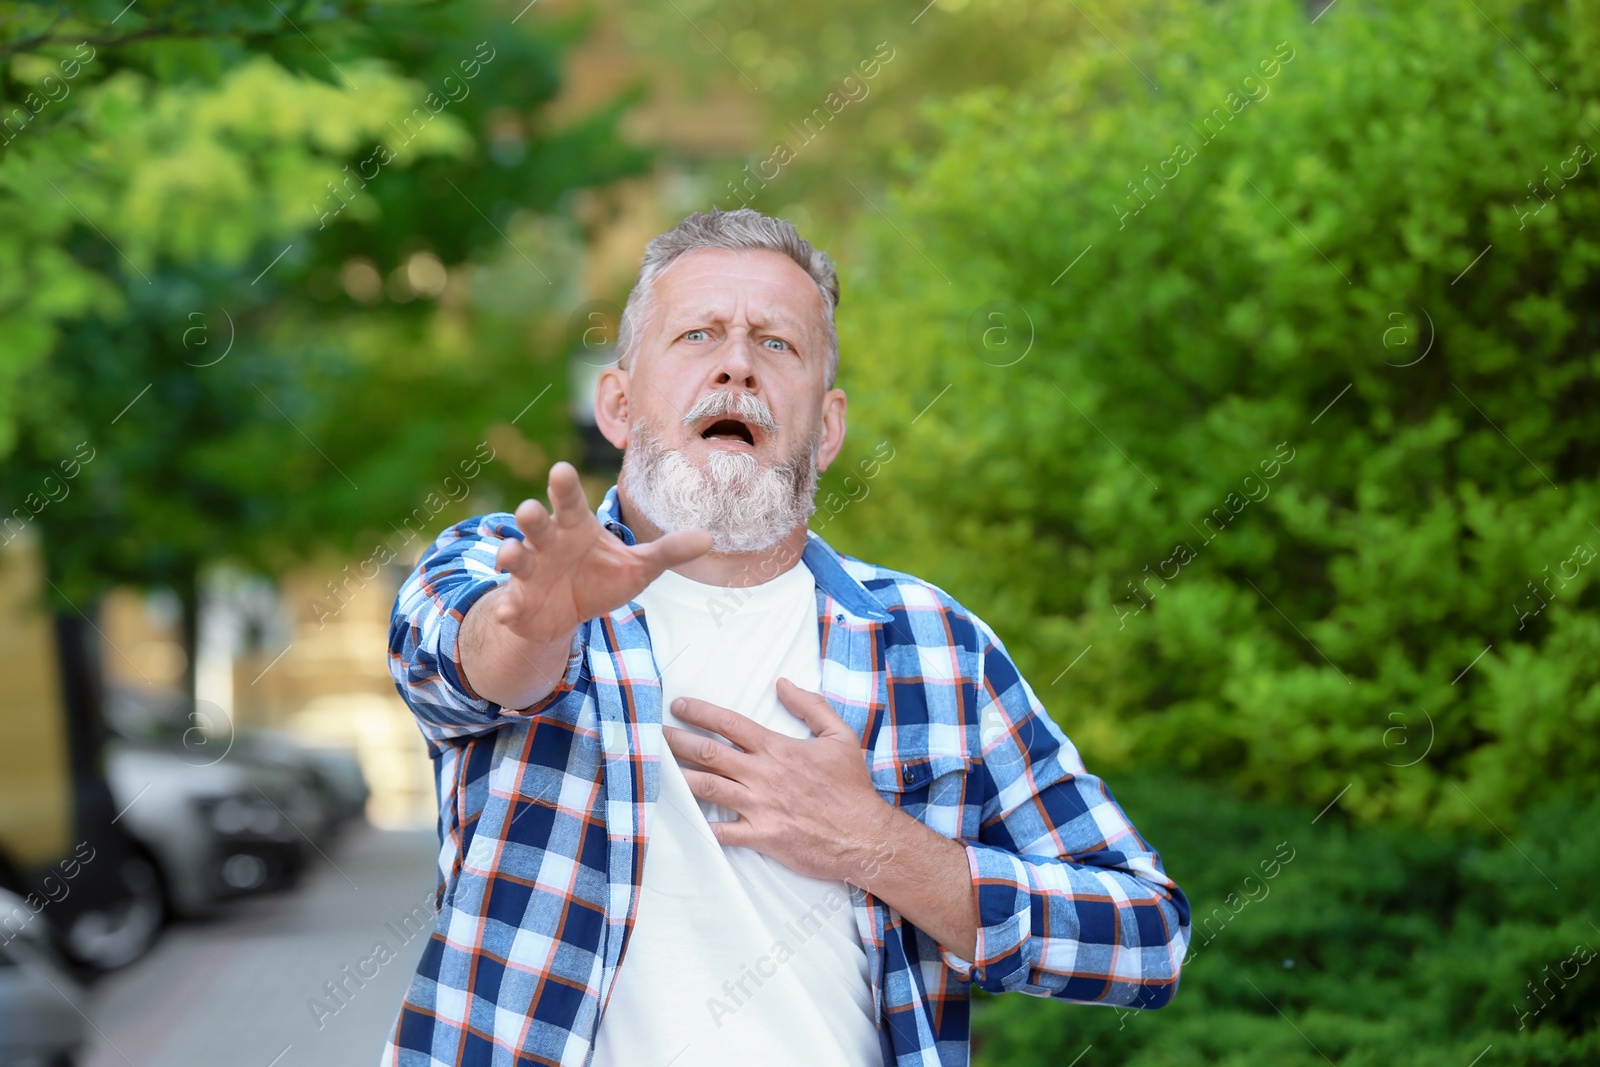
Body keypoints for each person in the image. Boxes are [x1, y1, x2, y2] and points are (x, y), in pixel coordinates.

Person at [382, 208, 1190, 1067]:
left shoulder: (934, 646)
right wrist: (534, 625)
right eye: (698, 334)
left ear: (829, 428)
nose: (737, 363)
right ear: (617, 404)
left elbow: (1146, 938)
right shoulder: (507, 564)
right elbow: (461, 666)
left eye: (777, 345)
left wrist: (876, 842)